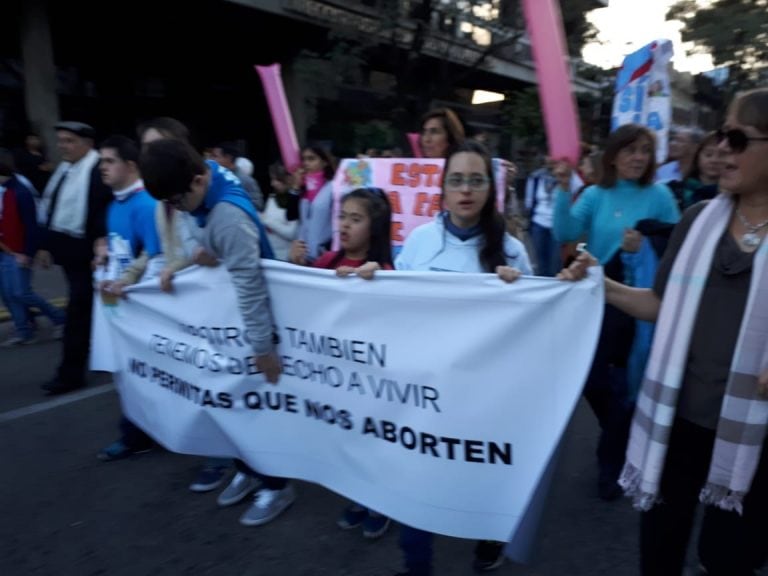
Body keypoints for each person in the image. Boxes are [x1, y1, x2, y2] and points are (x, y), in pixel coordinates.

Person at [560, 87, 768, 576]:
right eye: (721, 135)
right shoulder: (698, 221)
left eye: (737, 138)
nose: (721, 149)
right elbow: (659, 305)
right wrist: (599, 281)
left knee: (729, 559)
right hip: (678, 421)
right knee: (658, 552)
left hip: (753, 438)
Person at [393, 140, 532, 576]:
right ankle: (418, 567)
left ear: (491, 188)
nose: (465, 189)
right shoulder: (418, 242)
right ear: (443, 188)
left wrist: (517, 294)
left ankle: (488, 537)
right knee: (414, 481)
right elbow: (390, 308)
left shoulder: (512, 252)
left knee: (482, 476)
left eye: (476, 180)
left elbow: (535, 328)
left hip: (484, 397)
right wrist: (362, 281)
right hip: (424, 392)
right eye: (456, 180)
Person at [139, 139, 290, 527]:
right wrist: (197, 253)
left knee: (254, 404)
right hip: (228, 317)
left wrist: (263, 347)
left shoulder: (227, 218)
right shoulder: (207, 173)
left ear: (197, 180)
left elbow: (250, 283)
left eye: (175, 201)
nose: (174, 210)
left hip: (256, 320)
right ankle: (251, 468)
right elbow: (211, 240)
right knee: (228, 399)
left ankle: (276, 484)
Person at [552, 124, 680, 501]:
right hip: (596, 295)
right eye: (630, 150)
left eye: (644, 150)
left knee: (625, 382)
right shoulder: (595, 193)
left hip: (638, 299)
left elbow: (676, 242)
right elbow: (567, 231)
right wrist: (562, 189)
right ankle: (621, 431)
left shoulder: (660, 195)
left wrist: (647, 244)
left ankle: (611, 465)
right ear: (613, 156)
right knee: (590, 381)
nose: (638, 157)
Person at [312, 187, 395, 539]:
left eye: (356, 219)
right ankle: (357, 497)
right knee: (346, 441)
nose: (344, 225)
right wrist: (298, 267)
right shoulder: (326, 263)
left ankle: (381, 502)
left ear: (374, 229)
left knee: (374, 443)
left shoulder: (384, 272)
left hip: (371, 382)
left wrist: (378, 283)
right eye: (342, 216)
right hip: (336, 379)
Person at [93, 135, 163, 461]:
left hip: (138, 305)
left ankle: (143, 431)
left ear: (131, 166)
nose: (102, 167)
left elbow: (155, 256)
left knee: (143, 371)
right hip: (116, 302)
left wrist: (127, 282)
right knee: (123, 371)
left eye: (109, 161)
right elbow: (118, 247)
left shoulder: (146, 205)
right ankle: (137, 430)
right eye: (101, 161)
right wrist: (102, 256)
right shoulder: (114, 204)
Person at [37, 121, 112, 396]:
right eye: (60, 141)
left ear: (87, 144)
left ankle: (70, 374)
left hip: (94, 257)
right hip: (71, 256)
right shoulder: (64, 172)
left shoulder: (98, 170)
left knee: (79, 315)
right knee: (89, 313)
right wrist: (45, 247)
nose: (62, 146)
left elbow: (104, 213)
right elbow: (52, 210)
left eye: (69, 141)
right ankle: (99, 359)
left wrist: (101, 248)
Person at [0, 148, 65, 346]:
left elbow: (31, 225)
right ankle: (23, 332)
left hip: (18, 251)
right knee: (9, 294)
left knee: (21, 292)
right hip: (5, 250)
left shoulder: (19, 191)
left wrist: (28, 253)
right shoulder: (7, 191)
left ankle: (60, 318)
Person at [288, 145, 335, 265]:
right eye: (304, 159)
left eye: (311, 159)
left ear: (324, 162)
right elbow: (291, 216)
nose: (306, 163)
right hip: (303, 254)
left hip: (324, 254)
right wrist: (295, 187)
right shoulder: (304, 188)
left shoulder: (333, 187)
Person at [666, 130, 723, 211]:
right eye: (708, 155)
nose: (714, 160)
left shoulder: (730, 196)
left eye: (721, 156)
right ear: (698, 156)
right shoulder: (675, 191)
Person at [261, 163, 298, 261]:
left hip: (285, 259)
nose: (272, 184)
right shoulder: (272, 198)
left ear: (287, 179)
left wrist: (267, 221)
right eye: (271, 179)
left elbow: (291, 233)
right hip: (269, 256)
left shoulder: (295, 202)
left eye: (276, 180)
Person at [211, 142, 264, 210]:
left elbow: (258, 204)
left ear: (228, 158)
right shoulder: (213, 177)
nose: (211, 159)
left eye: (215, 156)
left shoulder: (246, 180)